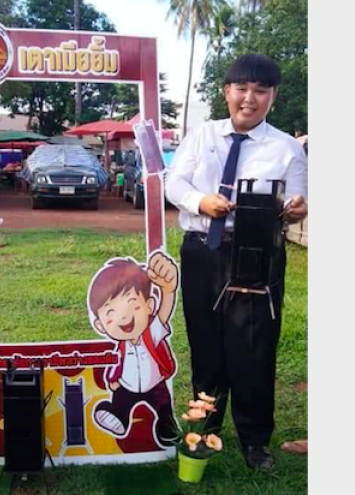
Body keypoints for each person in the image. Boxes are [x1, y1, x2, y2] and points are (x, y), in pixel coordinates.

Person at [165, 54, 308, 471]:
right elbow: (175, 182)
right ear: (227, 91)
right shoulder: (202, 135)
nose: (250, 98)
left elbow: (298, 198)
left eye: (260, 90)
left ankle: (255, 439)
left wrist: (297, 208)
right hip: (202, 250)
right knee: (205, 340)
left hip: (257, 254)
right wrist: (201, 201)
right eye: (241, 88)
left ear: (273, 96)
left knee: (254, 346)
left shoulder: (286, 148)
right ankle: (204, 427)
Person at [88, 253, 180, 448]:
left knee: (163, 407)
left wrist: (168, 290)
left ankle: (167, 429)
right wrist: (113, 379)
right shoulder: (120, 346)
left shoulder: (152, 333)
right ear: (100, 325)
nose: (124, 317)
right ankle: (118, 417)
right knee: (120, 400)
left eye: (133, 305)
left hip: (155, 384)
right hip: (127, 384)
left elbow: (164, 313)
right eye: (111, 312)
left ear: (149, 306)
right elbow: (117, 362)